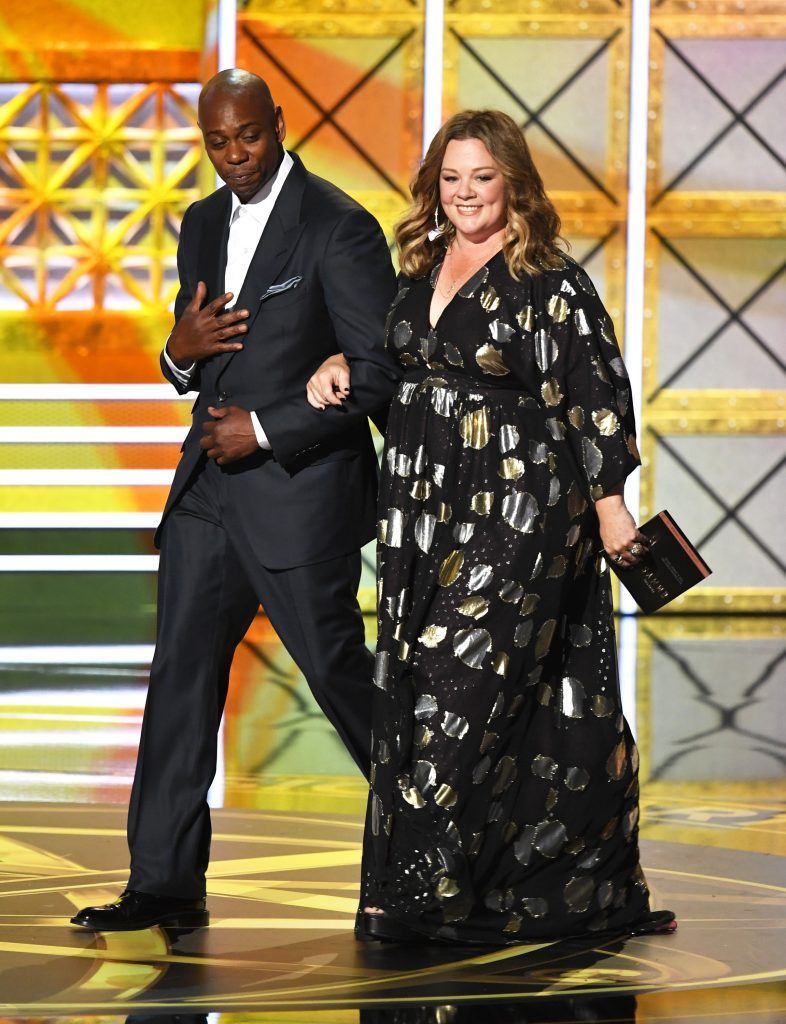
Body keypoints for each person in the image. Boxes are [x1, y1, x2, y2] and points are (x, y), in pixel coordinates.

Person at [307, 110, 676, 945]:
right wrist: (336, 364)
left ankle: (422, 892)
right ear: (434, 188)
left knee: (451, 690)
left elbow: (595, 396)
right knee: (469, 696)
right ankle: (526, 887)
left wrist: (612, 512)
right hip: (424, 519)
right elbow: (393, 363)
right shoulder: (420, 268)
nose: (466, 193)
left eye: (481, 177)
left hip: (523, 517)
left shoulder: (550, 280)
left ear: (513, 182)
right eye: (451, 178)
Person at [71, 69, 399, 932]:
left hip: (298, 494)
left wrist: (265, 427)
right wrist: (176, 356)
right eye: (218, 142)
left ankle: (442, 843)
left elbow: (376, 375)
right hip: (208, 495)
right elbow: (198, 355)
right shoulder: (202, 223)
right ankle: (164, 881)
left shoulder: (339, 226)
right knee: (179, 677)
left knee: (338, 676)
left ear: (279, 123)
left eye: (248, 136)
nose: (234, 156)